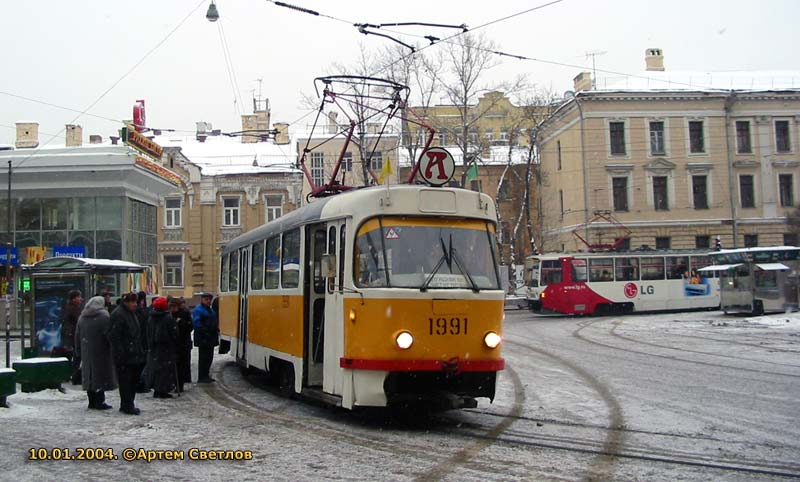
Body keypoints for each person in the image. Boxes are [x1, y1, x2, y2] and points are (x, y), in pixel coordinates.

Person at [74, 296, 116, 410]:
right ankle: (100, 401)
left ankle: (91, 400)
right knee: (100, 376)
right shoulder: (104, 316)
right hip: (101, 351)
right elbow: (110, 335)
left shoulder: (82, 317)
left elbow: (77, 336)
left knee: (89, 376)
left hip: (86, 351)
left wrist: (79, 350)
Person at [108, 292, 146, 415]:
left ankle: (128, 403)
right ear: (126, 302)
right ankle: (127, 405)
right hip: (125, 355)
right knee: (126, 381)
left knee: (132, 380)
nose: (135, 304)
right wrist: (122, 353)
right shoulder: (119, 314)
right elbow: (115, 336)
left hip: (133, 353)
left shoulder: (129, 313)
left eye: (136, 302)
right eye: (133, 302)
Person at [145, 297, 178, 398]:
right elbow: (174, 333)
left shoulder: (151, 317)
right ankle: (162, 390)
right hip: (166, 347)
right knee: (165, 369)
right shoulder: (168, 318)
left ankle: (157, 388)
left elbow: (148, 332)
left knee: (156, 368)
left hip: (154, 347)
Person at [192, 292, 219, 383]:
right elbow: (197, 323)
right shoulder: (198, 310)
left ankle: (206, 374)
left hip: (210, 337)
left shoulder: (210, 310)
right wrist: (205, 331)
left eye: (209, 300)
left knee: (209, 357)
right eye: (206, 299)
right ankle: (202, 376)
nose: (208, 301)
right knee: (204, 358)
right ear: (202, 300)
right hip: (203, 337)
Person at [60, 290, 83, 385]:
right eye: (78, 297)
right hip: (74, 335)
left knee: (76, 356)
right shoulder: (73, 309)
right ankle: (75, 375)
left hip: (72, 335)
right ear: (73, 299)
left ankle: (73, 375)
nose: (80, 299)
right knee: (77, 356)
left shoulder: (72, 308)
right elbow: (77, 321)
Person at [172, 297, 193, 391]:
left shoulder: (184, 313)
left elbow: (190, 327)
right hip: (177, 343)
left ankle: (180, 384)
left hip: (183, 343)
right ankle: (177, 384)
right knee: (177, 366)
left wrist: (181, 323)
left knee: (181, 365)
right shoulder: (170, 315)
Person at [134, 291, 150, 394]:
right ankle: (141, 384)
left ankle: (139, 384)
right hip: (142, 342)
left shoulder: (135, 312)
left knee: (139, 364)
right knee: (142, 364)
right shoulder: (141, 312)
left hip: (139, 342)